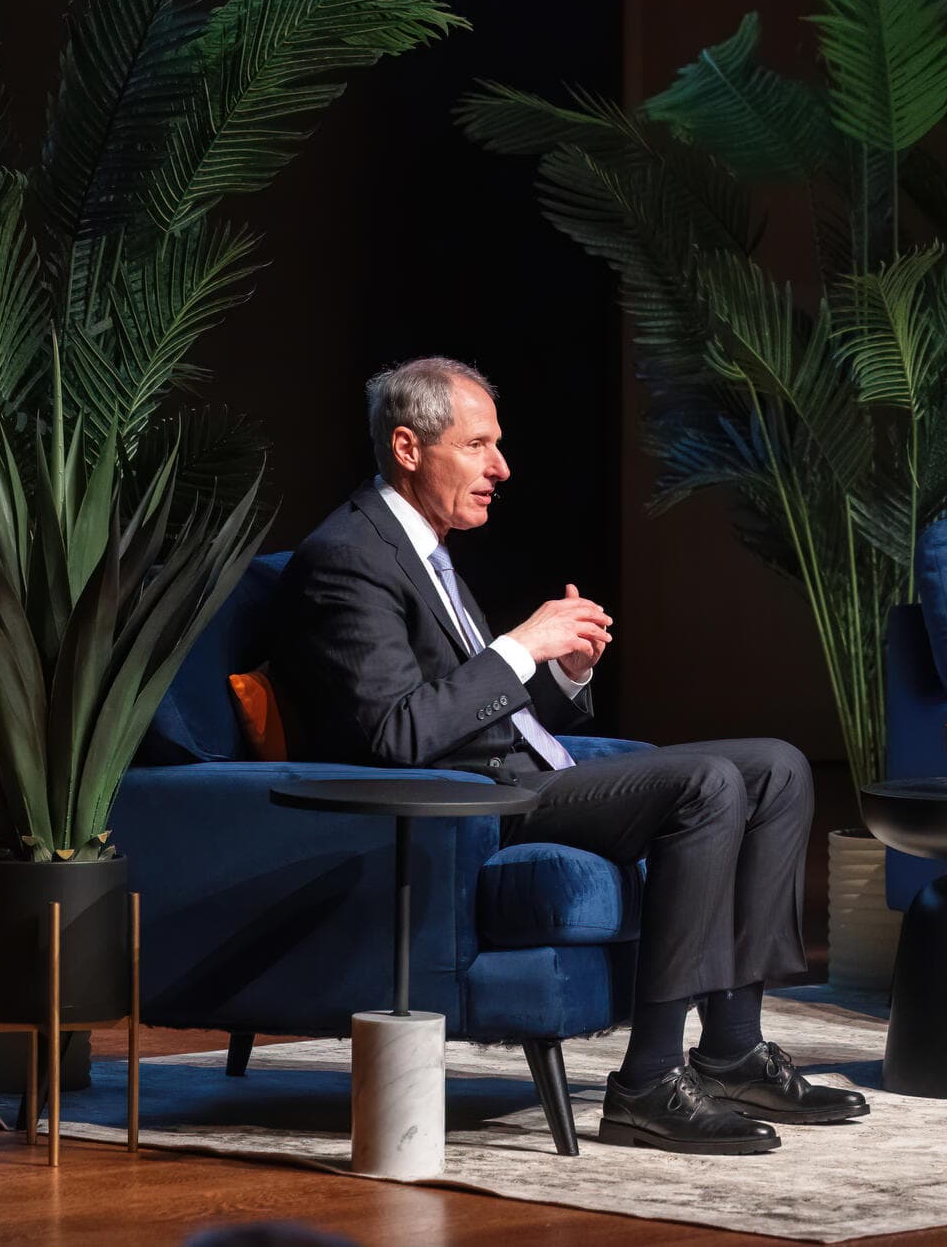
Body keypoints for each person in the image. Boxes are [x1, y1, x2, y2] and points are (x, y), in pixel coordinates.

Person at [272, 355, 867, 1153]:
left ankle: (732, 1051)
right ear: (409, 448)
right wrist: (521, 645)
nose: (501, 467)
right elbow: (399, 735)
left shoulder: (423, 545)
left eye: (499, 445)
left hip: (522, 774)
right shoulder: (348, 557)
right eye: (479, 446)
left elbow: (480, 710)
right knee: (709, 783)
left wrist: (559, 674)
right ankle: (649, 1083)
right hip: (470, 805)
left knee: (779, 765)